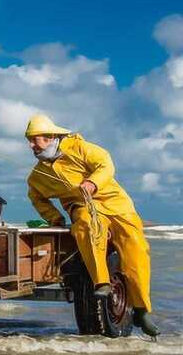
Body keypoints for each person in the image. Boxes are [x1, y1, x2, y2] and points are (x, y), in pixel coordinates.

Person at [25, 114, 159, 337]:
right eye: (29, 141)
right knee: (86, 226)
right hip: (83, 207)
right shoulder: (37, 175)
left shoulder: (80, 147)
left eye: (34, 140)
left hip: (116, 204)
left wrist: (92, 182)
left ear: (49, 137)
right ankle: (101, 283)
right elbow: (36, 197)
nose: (30, 146)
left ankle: (142, 310)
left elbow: (105, 164)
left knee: (137, 249)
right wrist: (54, 218)